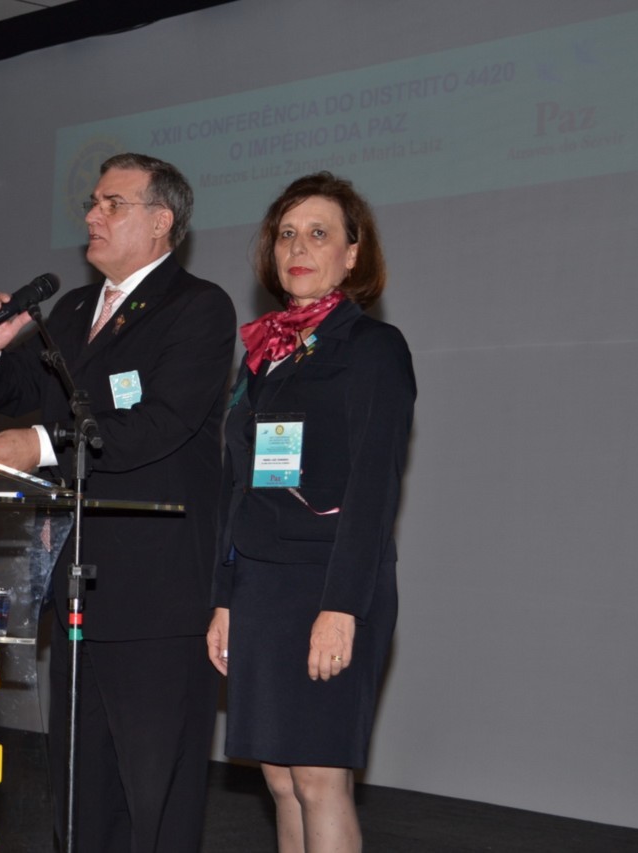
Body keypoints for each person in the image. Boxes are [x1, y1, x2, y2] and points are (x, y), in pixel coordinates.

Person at [0, 152, 236, 851]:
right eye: (93, 202)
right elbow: (20, 393)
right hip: (78, 589)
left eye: (113, 204)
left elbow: (160, 424)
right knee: (85, 799)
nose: (91, 216)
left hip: (157, 596)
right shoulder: (76, 309)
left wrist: (39, 445)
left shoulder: (198, 307)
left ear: (161, 221)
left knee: (155, 800)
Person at [206, 171, 415, 853]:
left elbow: (375, 490)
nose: (298, 247)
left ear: (352, 254)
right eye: (287, 234)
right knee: (280, 779)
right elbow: (238, 484)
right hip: (261, 586)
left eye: (319, 234)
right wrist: (225, 597)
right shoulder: (263, 354)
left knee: (320, 779)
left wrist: (342, 607)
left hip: (328, 583)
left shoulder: (374, 348)